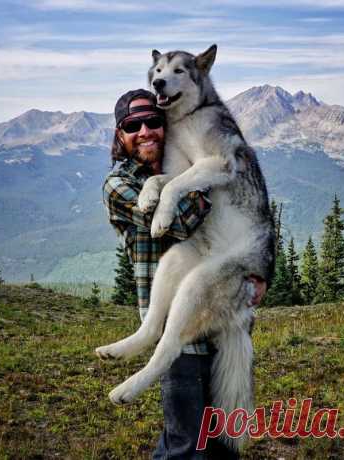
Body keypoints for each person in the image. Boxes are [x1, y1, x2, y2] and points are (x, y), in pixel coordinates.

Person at [103, 89, 266, 459]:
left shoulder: (177, 164)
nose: (145, 131)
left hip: (224, 316)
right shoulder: (120, 183)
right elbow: (178, 221)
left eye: (154, 122)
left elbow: (248, 217)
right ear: (120, 135)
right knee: (186, 447)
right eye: (133, 125)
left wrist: (260, 275)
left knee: (223, 446)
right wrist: (201, 176)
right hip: (180, 339)